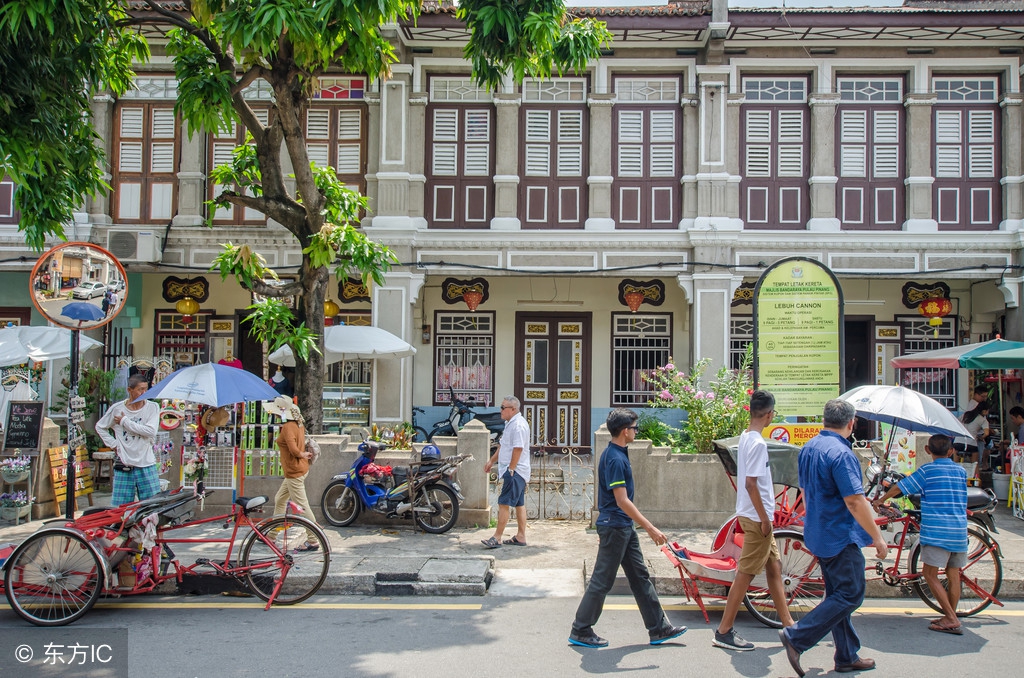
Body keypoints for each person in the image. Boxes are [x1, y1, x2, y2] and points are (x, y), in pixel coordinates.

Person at [779, 399, 887, 676]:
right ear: (852, 423)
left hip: (819, 532)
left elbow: (806, 488)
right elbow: (854, 500)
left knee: (838, 595)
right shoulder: (841, 453)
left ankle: (847, 655)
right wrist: (877, 537)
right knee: (850, 595)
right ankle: (797, 637)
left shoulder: (809, 448)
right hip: (840, 535)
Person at [569, 408, 686, 649]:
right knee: (602, 580)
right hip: (615, 527)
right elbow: (622, 500)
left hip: (623, 526)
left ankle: (658, 627)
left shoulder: (619, 453)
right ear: (625, 431)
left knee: (640, 577)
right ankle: (581, 629)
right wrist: (650, 528)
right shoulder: (614, 458)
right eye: (634, 428)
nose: (636, 431)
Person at [713, 390, 794, 651]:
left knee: (774, 568)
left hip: (753, 516)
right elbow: (750, 485)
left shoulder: (747, 437)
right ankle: (724, 631)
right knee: (744, 575)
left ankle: (789, 625)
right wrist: (764, 519)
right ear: (770, 414)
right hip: (757, 518)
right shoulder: (758, 443)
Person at [871, 434, 967, 635]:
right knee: (953, 574)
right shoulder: (960, 471)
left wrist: (881, 500)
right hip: (959, 529)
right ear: (951, 451)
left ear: (927, 450)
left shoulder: (928, 470)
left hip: (938, 530)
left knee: (929, 574)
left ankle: (950, 618)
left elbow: (901, 487)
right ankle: (951, 614)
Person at [95, 374, 161, 506]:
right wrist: (114, 444)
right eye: (140, 389)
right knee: (121, 508)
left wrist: (125, 421)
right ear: (129, 390)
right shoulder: (117, 409)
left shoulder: (152, 407)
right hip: (125, 463)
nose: (144, 393)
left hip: (146, 462)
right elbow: (100, 427)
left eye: (146, 389)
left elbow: (150, 431)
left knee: (152, 506)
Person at [266, 395, 320, 551]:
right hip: (297, 469)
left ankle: (313, 539)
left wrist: (300, 454)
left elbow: (293, 448)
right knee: (280, 499)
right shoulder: (297, 422)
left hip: (294, 471)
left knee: (302, 507)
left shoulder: (288, 427)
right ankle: (271, 535)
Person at [481, 395, 531, 548]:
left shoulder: (518, 425)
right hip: (513, 470)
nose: (500, 411)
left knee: (504, 503)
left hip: (515, 471)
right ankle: (521, 536)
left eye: (503, 408)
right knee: (519, 503)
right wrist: (492, 461)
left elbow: (518, 448)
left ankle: (497, 537)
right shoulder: (510, 424)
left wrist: (511, 468)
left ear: (513, 409)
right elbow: (503, 446)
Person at [960, 401, 991, 466]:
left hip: (958, 442)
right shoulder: (983, 420)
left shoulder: (966, 414)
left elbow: (957, 422)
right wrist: (981, 438)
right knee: (975, 466)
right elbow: (986, 433)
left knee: (956, 465)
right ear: (984, 411)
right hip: (971, 444)